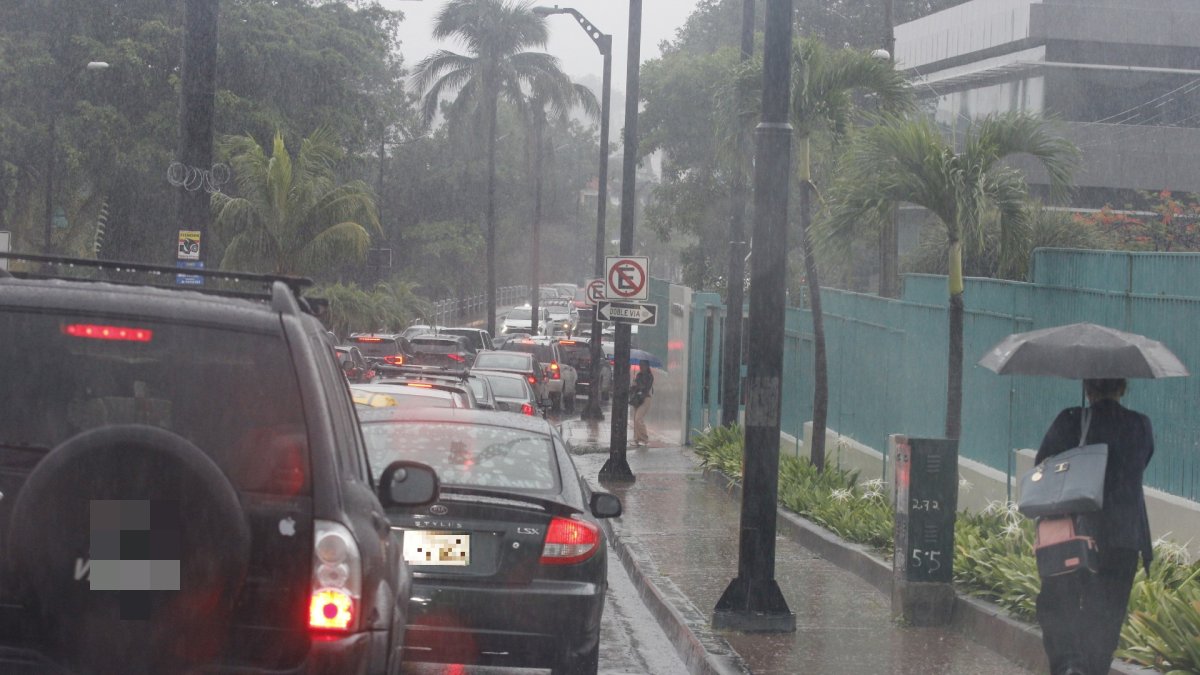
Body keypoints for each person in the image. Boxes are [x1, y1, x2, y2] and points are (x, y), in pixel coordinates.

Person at [1034, 378, 1155, 675]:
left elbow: (1042, 465)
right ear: (1123, 387)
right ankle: (1093, 668)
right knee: (1107, 614)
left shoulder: (1071, 420)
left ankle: (1070, 665)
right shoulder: (1140, 425)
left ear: (1088, 388)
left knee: (1058, 604)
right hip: (1124, 536)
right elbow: (1140, 462)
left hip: (1074, 533)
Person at [630, 360, 654, 447]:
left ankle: (644, 438)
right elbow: (633, 390)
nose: (641, 367)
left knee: (638, 419)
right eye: (640, 365)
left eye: (643, 365)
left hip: (645, 399)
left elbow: (646, 388)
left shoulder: (649, 376)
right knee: (635, 420)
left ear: (647, 366)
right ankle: (636, 439)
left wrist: (638, 385)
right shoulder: (638, 375)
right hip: (637, 399)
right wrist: (633, 385)